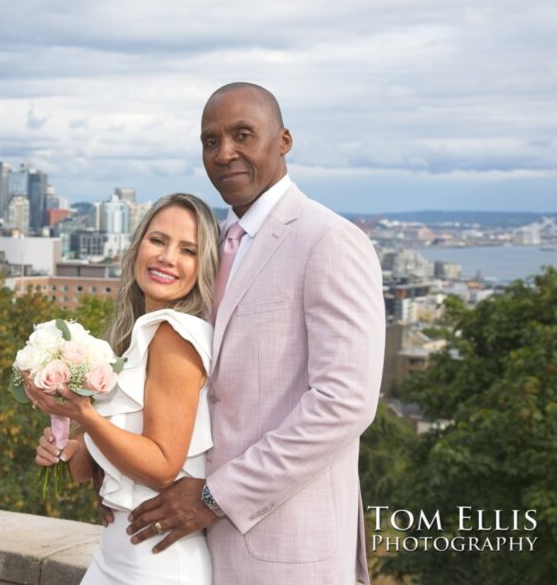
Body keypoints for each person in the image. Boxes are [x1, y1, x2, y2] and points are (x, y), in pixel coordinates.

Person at [125, 82, 385, 584]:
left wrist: (215, 497)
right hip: (194, 547)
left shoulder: (329, 241)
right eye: (210, 141)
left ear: (284, 140)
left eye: (243, 135)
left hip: (287, 546)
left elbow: (345, 403)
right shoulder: (208, 246)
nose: (225, 153)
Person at [25, 192, 220, 584]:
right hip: (118, 554)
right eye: (158, 240)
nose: (167, 257)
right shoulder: (136, 336)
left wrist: (84, 416)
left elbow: (163, 467)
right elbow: (90, 469)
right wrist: (66, 446)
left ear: (204, 268)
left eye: (188, 250)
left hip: (158, 561)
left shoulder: (174, 334)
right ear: (136, 248)